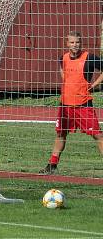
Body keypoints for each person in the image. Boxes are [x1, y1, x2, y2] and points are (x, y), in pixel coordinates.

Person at [40, 31, 103, 174]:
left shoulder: (90, 58)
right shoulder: (63, 58)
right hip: (65, 105)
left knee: (98, 135)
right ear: (67, 43)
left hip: (83, 104)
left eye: (78, 42)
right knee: (60, 134)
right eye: (72, 42)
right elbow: (63, 72)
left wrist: (94, 85)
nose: (75, 45)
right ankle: (52, 165)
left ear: (81, 43)